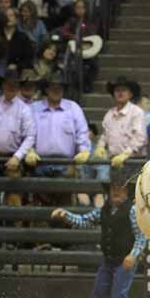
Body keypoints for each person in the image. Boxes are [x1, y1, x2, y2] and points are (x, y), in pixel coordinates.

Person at [51, 167, 150, 298]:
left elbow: (142, 235)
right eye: (114, 188)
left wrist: (133, 255)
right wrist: (65, 215)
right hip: (110, 261)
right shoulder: (103, 210)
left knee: (119, 296)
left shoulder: (132, 210)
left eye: (120, 188)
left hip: (124, 260)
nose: (116, 191)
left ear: (127, 192)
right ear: (109, 191)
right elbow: (83, 220)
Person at [25, 71, 91, 205]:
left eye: (60, 87)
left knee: (64, 207)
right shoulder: (33, 109)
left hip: (66, 165)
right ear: (46, 89)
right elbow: (26, 133)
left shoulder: (73, 108)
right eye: (53, 87)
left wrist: (84, 150)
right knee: (40, 205)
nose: (56, 90)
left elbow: (82, 133)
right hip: (39, 164)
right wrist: (29, 150)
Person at [0, 66, 36, 206]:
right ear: (2, 85)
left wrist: (17, 156)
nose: (12, 86)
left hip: (12, 158)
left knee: (14, 200)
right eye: (9, 83)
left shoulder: (24, 109)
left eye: (15, 84)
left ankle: (12, 226)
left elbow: (30, 136)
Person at [93, 77, 147, 171]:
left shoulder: (137, 112)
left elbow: (140, 138)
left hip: (133, 161)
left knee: (131, 186)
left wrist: (126, 154)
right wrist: (100, 146)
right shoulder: (109, 114)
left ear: (130, 94)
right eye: (117, 90)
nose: (120, 93)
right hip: (114, 160)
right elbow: (105, 135)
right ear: (113, 94)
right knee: (114, 186)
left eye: (124, 90)